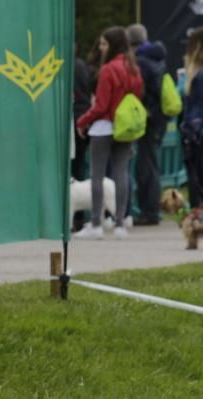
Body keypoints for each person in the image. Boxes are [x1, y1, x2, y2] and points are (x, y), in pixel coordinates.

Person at [76, 26, 144, 240]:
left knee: (97, 175)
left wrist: (82, 121)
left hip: (103, 127)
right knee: (121, 174)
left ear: (112, 45)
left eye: (104, 44)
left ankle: (96, 223)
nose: (101, 48)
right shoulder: (133, 68)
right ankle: (120, 223)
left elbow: (102, 105)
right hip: (124, 127)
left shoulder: (108, 70)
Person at [128, 23, 168, 226]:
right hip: (158, 118)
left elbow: (141, 91)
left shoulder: (142, 62)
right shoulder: (157, 58)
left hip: (148, 118)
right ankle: (150, 209)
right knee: (151, 164)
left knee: (146, 167)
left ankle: (149, 211)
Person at [72, 43, 93, 231]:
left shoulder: (65, 67)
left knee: (72, 171)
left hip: (71, 119)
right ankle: (79, 217)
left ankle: (74, 215)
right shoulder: (82, 66)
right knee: (79, 168)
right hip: (83, 119)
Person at [181, 28, 203, 208]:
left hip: (196, 134)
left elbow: (196, 108)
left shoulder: (198, 75)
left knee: (197, 179)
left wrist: (190, 131)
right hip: (195, 132)